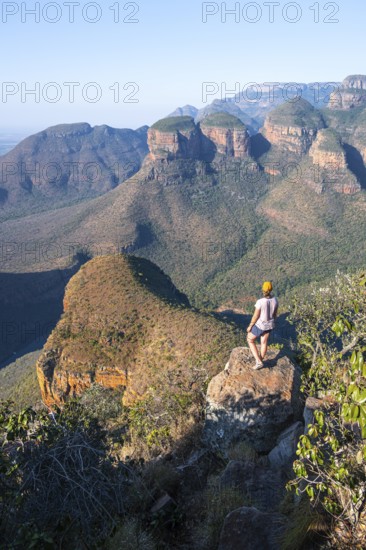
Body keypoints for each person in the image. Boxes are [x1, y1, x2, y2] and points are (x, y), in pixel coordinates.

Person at [246, 281, 278, 369]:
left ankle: (259, 362)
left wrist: (250, 326)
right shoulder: (275, 300)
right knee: (264, 342)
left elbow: (256, 316)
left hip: (260, 325)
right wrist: (272, 322)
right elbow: (275, 314)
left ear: (263, 290)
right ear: (271, 289)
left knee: (250, 339)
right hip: (270, 325)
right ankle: (260, 360)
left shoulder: (260, 302)